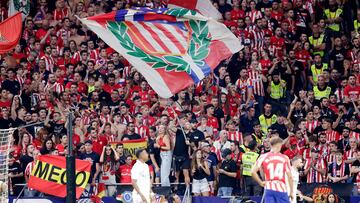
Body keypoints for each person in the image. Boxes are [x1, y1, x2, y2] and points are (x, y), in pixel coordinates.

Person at [252, 137, 294, 203]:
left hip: (269, 187)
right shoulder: (285, 158)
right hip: (281, 188)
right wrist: (291, 192)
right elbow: (290, 177)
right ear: (280, 145)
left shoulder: (263, 156)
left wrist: (260, 182)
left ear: (271, 145)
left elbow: (253, 172)